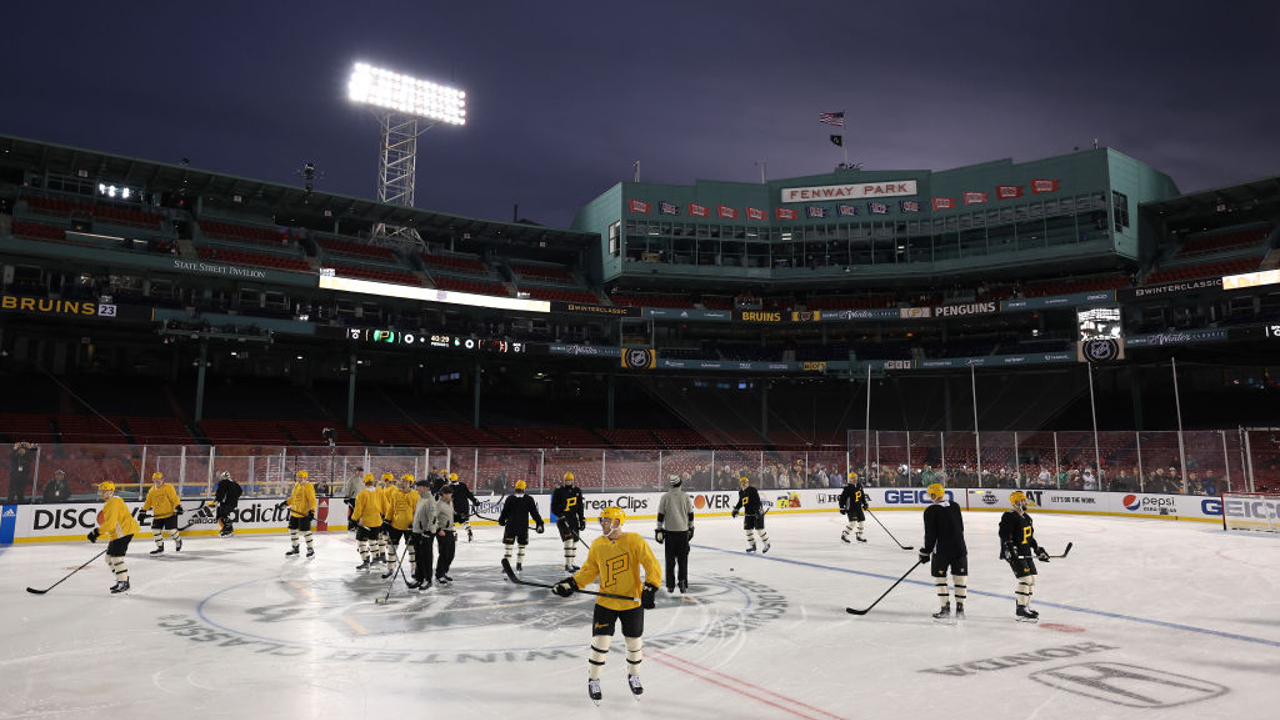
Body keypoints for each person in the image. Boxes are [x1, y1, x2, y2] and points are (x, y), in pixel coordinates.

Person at [552, 507, 660, 703]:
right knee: (600, 644)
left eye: (605, 520)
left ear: (617, 522)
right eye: (602, 520)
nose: (602, 523)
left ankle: (634, 675)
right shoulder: (597, 544)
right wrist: (572, 584)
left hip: (631, 603)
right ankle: (594, 680)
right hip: (606, 603)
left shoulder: (635, 540)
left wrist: (650, 587)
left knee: (634, 644)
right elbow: (588, 571)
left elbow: (651, 564)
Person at [918, 482, 967, 620]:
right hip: (960, 549)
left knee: (940, 578)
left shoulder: (930, 511)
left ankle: (945, 609)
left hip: (942, 551)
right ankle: (960, 610)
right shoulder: (955, 506)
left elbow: (930, 535)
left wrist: (925, 552)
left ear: (934, 494)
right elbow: (961, 528)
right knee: (960, 579)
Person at [999, 491, 1051, 621]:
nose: (1025, 503)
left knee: (1032, 579)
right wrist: (1011, 550)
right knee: (1026, 579)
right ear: (1016, 502)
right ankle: (1021, 609)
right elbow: (1005, 535)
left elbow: (1030, 538)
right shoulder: (1009, 516)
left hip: (1025, 552)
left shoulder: (1027, 518)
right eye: (1023, 500)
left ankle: (1026, 606)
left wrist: (1038, 550)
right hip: (1014, 554)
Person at [87, 481, 140, 593]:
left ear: (111, 491)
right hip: (118, 534)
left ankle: (123, 582)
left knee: (116, 558)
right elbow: (113, 524)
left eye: (104, 491)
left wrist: (96, 532)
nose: (101, 493)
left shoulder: (113, 502)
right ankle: (121, 579)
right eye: (100, 491)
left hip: (123, 533)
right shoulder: (112, 501)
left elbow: (111, 524)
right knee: (109, 559)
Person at [655, 474, 694, 593]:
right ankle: (682, 582)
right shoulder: (686, 497)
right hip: (683, 532)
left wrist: (659, 528)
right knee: (683, 560)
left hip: (670, 532)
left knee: (670, 560)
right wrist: (691, 527)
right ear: (680, 484)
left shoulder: (665, 497)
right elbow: (690, 514)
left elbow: (661, 515)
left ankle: (670, 585)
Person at [498, 479, 544, 571]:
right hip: (522, 527)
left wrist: (502, 520)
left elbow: (504, 513)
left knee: (509, 548)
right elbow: (534, 513)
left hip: (511, 527)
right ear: (524, 488)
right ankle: (519, 565)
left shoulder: (510, 498)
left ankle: (508, 567)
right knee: (521, 546)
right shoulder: (528, 499)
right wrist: (539, 523)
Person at [381, 474, 418, 578]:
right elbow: (391, 509)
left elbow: (417, 511)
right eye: (402, 481)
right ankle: (390, 568)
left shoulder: (416, 495)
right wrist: (387, 520)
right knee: (392, 548)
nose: (403, 483)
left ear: (410, 483)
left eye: (406, 481)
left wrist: (414, 524)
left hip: (409, 527)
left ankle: (414, 569)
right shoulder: (395, 493)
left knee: (411, 549)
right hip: (395, 525)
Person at [550, 472, 587, 571]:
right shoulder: (558, 491)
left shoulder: (577, 491)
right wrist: (560, 515)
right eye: (567, 480)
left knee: (575, 541)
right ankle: (567, 564)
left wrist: (582, 519)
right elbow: (554, 506)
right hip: (563, 520)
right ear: (564, 480)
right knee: (569, 540)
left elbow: (580, 507)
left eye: (570, 480)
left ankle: (572, 562)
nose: (569, 482)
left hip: (573, 519)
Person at [141, 471, 183, 554]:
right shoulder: (152, 490)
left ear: (163, 479)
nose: (158, 481)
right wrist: (143, 510)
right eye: (155, 479)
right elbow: (148, 502)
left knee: (171, 531)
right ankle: (160, 547)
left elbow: (174, 498)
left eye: (159, 479)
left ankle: (178, 540)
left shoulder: (168, 487)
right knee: (155, 530)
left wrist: (178, 506)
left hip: (169, 514)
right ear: (153, 481)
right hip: (158, 515)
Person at [408, 478, 439, 590]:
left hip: (426, 534)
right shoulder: (421, 499)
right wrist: (412, 527)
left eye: (419, 487)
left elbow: (433, 517)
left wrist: (429, 531)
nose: (417, 489)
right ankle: (419, 578)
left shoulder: (430, 500)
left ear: (425, 488)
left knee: (426, 557)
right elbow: (417, 515)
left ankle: (427, 579)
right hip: (417, 532)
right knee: (418, 557)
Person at [279, 470, 317, 557]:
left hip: (304, 513)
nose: (299, 479)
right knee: (292, 529)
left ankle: (310, 549)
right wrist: (286, 503)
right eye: (298, 477)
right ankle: (295, 547)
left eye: (301, 477)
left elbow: (312, 499)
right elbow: (293, 497)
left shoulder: (308, 486)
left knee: (305, 531)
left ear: (305, 478)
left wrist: (312, 511)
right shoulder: (296, 484)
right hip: (295, 512)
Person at [351, 475, 385, 570]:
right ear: (373, 481)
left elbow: (358, 509)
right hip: (378, 521)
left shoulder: (362, 494)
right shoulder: (380, 491)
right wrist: (386, 517)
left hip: (365, 522)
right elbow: (385, 505)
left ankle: (366, 561)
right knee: (373, 540)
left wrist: (354, 519)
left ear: (364, 482)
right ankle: (376, 558)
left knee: (361, 542)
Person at [731, 476, 770, 553]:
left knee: (759, 530)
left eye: (745, 482)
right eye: (742, 482)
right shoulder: (741, 492)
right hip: (748, 513)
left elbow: (757, 501)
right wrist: (736, 509)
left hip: (757, 512)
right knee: (748, 531)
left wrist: (758, 511)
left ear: (748, 483)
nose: (744, 484)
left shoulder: (752, 490)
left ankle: (767, 544)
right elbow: (741, 502)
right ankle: (753, 546)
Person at [432, 485, 458, 584]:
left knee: (451, 554)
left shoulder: (450, 503)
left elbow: (451, 514)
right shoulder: (438, 505)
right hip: (443, 532)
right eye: (449, 493)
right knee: (444, 554)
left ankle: (444, 572)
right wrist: (438, 529)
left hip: (450, 530)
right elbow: (432, 518)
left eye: (451, 493)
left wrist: (459, 517)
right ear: (443, 494)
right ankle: (439, 574)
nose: (451, 495)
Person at [448, 472, 480, 542]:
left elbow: (448, 498)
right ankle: (469, 532)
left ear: (450, 479)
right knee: (465, 521)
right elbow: (469, 494)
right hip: (465, 507)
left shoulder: (449, 487)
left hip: (455, 508)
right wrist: (475, 501)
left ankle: (454, 534)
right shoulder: (463, 485)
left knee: (451, 521)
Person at [839, 471, 869, 544]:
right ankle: (844, 535)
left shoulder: (859, 486)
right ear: (850, 479)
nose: (854, 479)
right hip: (851, 508)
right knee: (852, 523)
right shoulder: (847, 488)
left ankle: (859, 535)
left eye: (855, 477)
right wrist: (842, 507)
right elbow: (842, 498)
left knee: (861, 522)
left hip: (858, 508)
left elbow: (862, 496)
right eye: (852, 478)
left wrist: (865, 504)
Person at [213, 470, 242, 536]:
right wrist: (233, 498)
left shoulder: (223, 482)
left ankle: (228, 530)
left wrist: (217, 500)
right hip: (233, 503)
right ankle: (228, 529)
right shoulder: (235, 483)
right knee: (223, 515)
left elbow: (220, 493)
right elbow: (240, 492)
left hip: (226, 503)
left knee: (221, 515)